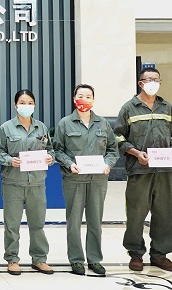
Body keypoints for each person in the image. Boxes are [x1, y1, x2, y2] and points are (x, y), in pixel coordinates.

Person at [113, 67, 172, 273]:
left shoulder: (167, 108)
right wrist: (135, 152)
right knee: (136, 214)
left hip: (164, 171)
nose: (153, 83)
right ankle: (136, 254)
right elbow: (118, 137)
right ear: (140, 83)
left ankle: (160, 254)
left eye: (156, 79)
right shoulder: (129, 108)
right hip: (139, 170)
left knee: (165, 214)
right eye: (148, 79)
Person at [52, 83, 119, 276]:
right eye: (80, 96)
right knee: (74, 222)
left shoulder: (103, 124)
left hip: (98, 179)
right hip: (74, 179)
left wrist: (108, 164)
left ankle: (94, 259)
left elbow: (112, 150)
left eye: (88, 96)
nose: (84, 99)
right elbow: (58, 150)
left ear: (93, 100)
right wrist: (69, 164)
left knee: (95, 221)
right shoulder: (65, 123)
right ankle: (76, 260)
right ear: (74, 99)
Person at [0, 89, 55, 276]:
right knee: (12, 225)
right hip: (13, 183)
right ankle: (12, 259)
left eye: (30, 103)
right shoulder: (6, 128)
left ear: (34, 105)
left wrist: (50, 158)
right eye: (22, 103)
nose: (26, 106)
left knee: (37, 224)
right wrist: (9, 160)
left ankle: (39, 259)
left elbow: (50, 149)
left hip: (37, 183)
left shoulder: (41, 128)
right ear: (15, 106)